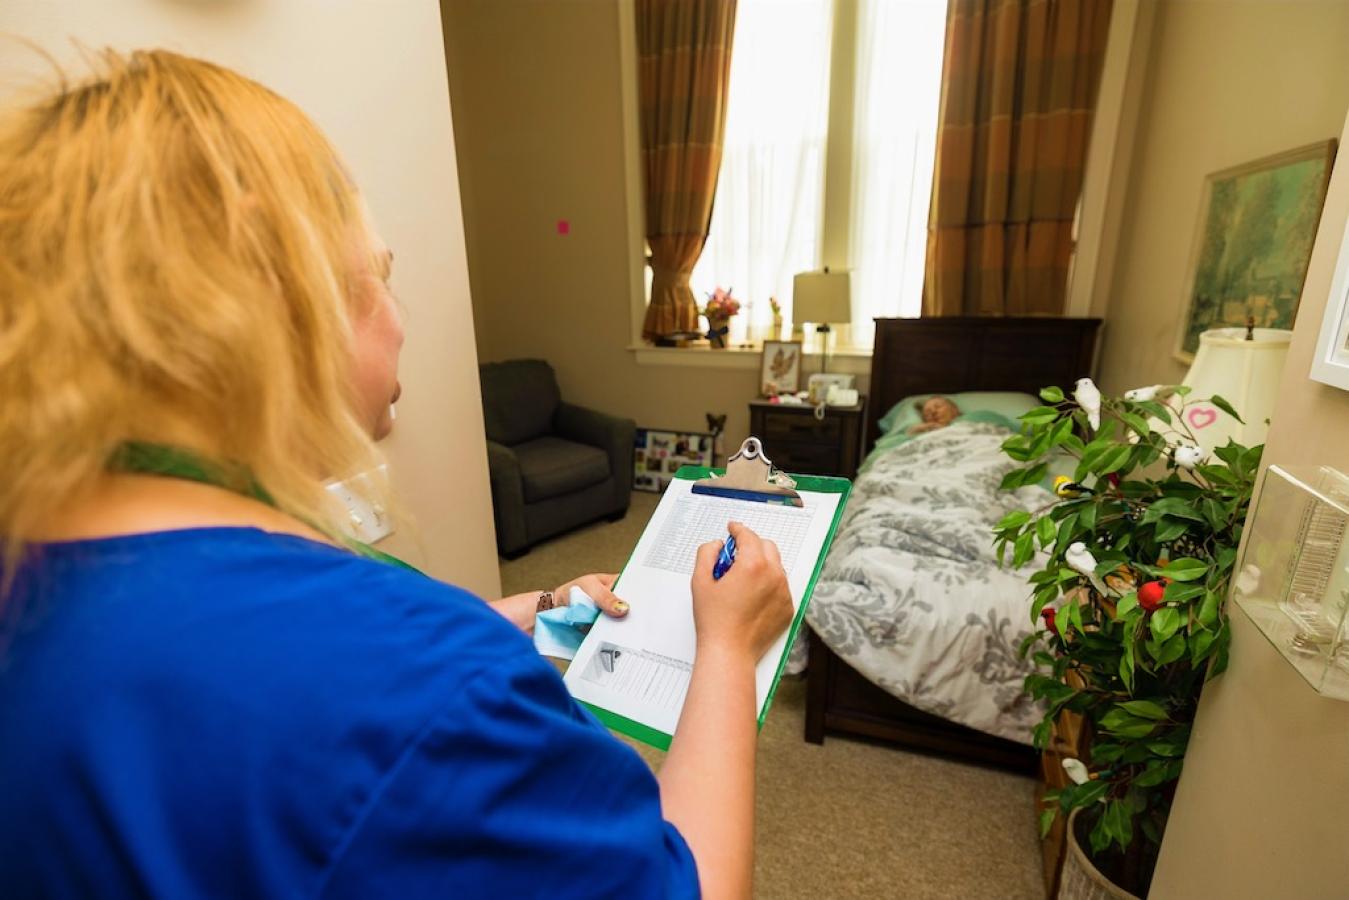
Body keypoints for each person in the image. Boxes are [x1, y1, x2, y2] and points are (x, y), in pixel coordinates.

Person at [0, 49, 793, 898]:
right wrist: (726, 645)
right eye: (379, 277)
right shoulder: (427, 684)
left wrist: (524, 610)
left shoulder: (47, 565)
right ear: (279, 291)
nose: (403, 323)